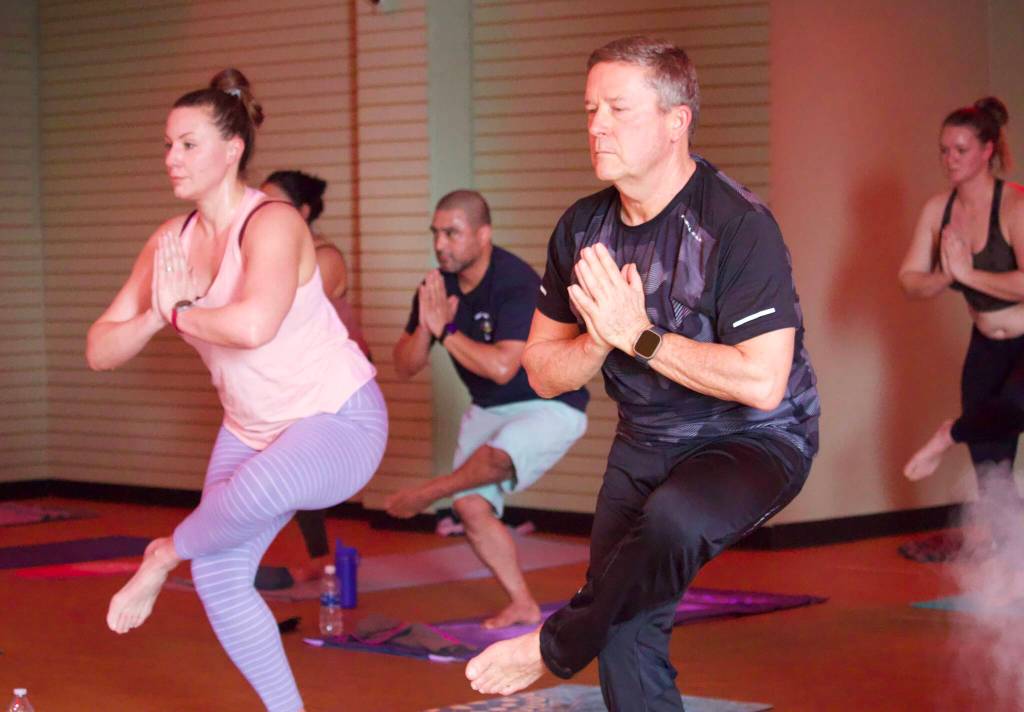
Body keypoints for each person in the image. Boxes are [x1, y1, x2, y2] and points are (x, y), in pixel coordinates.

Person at [464, 36, 819, 709]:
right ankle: (579, 645)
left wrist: (642, 338)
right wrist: (600, 342)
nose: (596, 124)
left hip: (756, 438)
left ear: (675, 120)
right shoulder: (580, 230)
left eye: (618, 109)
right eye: (590, 108)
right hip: (645, 442)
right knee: (624, 632)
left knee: (676, 517)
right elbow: (541, 372)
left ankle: (551, 647)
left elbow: (762, 381)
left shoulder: (738, 226)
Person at [87, 69, 386, 712]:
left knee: (254, 493)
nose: (172, 158)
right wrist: (152, 314)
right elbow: (99, 349)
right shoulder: (170, 242)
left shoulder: (272, 223)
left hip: (339, 422)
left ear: (233, 150)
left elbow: (253, 325)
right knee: (222, 576)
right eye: (167, 145)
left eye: (188, 144)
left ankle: (163, 553)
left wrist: (175, 313)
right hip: (250, 429)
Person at [387, 189, 589, 628]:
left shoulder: (516, 282)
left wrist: (448, 329)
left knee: (497, 458)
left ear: (483, 235)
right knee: (472, 508)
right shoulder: (435, 288)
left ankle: (430, 493)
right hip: (490, 407)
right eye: (436, 233)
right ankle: (522, 602)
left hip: (549, 403)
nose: (441, 244)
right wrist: (426, 326)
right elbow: (404, 365)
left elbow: (501, 366)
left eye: (452, 233)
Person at [899, 98, 1024, 559]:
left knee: (1013, 405)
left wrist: (968, 275)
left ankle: (947, 435)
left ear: (987, 150)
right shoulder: (940, 209)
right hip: (986, 346)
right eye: (944, 151)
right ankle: (1015, 574)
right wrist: (946, 276)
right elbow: (910, 280)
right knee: (992, 471)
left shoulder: (1014, 204)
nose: (950, 159)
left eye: (961, 149)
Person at [257, 169, 372, 588]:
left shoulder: (325, 257)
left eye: (275, 203)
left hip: (340, 381)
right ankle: (318, 559)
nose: (264, 211)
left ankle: (322, 561)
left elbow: (285, 317)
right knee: (285, 470)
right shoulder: (275, 255)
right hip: (299, 375)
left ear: (303, 212)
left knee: (296, 468)